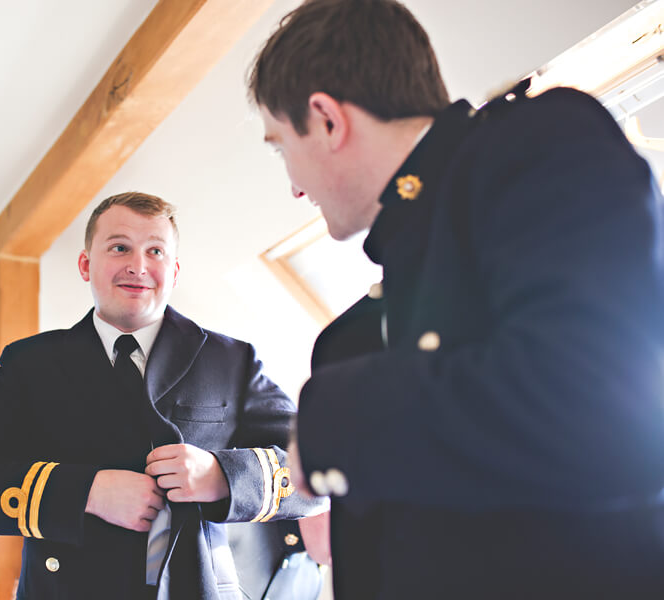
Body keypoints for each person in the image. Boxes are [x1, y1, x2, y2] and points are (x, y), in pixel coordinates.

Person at [247, 0, 664, 598]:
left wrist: (328, 423)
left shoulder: (539, 143)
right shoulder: (364, 322)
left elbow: (606, 412)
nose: (293, 186)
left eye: (281, 146)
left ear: (327, 119)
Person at [0, 192, 324, 599]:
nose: (138, 266)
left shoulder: (232, 360)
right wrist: (87, 491)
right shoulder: (31, 365)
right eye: (120, 248)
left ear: (174, 270)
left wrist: (223, 476)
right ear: (86, 265)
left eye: (155, 251)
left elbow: (320, 471)